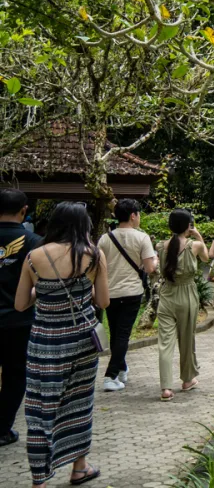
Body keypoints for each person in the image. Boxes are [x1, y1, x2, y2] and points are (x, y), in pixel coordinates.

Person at [14, 201, 108, 487]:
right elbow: (103, 301)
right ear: (84, 225)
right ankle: (79, 468)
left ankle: (39, 479)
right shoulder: (93, 255)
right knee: (79, 403)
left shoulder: (33, 256)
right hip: (82, 341)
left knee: (40, 407)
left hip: (44, 343)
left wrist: (40, 289)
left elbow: (20, 305)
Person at [97, 199, 157, 392]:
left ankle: (121, 369)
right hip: (131, 292)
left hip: (109, 292)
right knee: (122, 335)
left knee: (115, 333)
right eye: (138, 214)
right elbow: (150, 268)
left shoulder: (105, 239)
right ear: (133, 215)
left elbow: (98, 266)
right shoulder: (142, 238)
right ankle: (110, 376)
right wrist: (154, 259)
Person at [1, 188, 43, 449]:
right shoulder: (34, 242)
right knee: (16, 376)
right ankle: (3, 427)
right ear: (24, 210)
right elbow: (42, 282)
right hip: (18, 320)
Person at [156, 209, 209, 401]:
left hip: (167, 295)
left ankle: (165, 389)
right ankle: (187, 380)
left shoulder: (160, 246)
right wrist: (197, 234)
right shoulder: (194, 246)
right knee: (187, 339)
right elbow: (206, 258)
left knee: (165, 344)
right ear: (188, 225)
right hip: (187, 294)